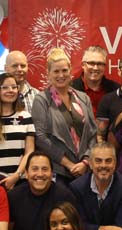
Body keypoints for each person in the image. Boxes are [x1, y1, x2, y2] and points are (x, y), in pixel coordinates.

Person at [31, 48, 98, 183]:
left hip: (85, 170)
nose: (61, 75)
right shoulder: (42, 100)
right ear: (48, 74)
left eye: (64, 70)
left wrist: (85, 162)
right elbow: (41, 138)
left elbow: (93, 134)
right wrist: (69, 165)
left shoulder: (83, 98)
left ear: (70, 71)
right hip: (58, 171)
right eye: (56, 71)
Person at [5, 152, 78, 230]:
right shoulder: (14, 197)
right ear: (26, 174)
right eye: (35, 169)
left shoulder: (65, 196)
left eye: (45, 169)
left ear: (52, 174)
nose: (40, 174)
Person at [71, 45, 119, 114]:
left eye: (100, 64)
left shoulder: (116, 90)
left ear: (105, 66)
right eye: (91, 63)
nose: (95, 68)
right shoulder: (70, 89)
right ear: (83, 65)